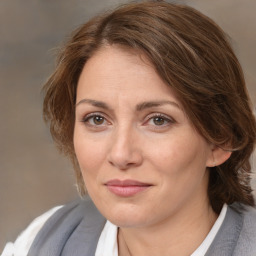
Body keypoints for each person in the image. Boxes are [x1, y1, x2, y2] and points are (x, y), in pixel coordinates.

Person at [2, 1, 256, 255]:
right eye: (97, 119)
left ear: (220, 139)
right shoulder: (42, 241)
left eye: (158, 120)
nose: (121, 155)